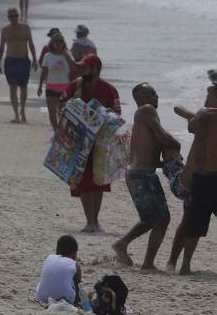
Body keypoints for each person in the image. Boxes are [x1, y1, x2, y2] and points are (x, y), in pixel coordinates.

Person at [112, 83, 180, 270]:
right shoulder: (146, 110)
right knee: (162, 218)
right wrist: (178, 145)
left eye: (156, 92)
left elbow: (145, 155)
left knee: (150, 219)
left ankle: (122, 244)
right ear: (140, 98)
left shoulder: (141, 119)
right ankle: (148, 263)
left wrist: (166, 163)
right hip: (142, 175)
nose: (156, 96)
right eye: (151, 93)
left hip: (136, 173)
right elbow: (162, 136)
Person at [60, 55, 121, 233]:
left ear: (94, 69)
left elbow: (117, 114)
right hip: (78, 141)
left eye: (84, 68)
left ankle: (95, 220)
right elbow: (61, 105)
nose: (80, 71)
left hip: (101, 144)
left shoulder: (109, 90)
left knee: (98, 181)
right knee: (84, 181)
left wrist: (107, 113)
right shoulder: (75, 86)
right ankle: (89, 221)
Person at [170, 86, 217, 275]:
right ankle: (182, 264)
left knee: (193, 223)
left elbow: (187, 121)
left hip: (200, 177)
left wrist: (195, 115)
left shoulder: (203, 115)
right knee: (193, 223)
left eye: (210, 94)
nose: (206, 97)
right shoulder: (204, 114)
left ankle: (185, 265)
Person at [0, 8, 37, 123]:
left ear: (18, 16)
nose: (14, 18)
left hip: (23, 60)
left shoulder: (25, 28)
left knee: (23, 88)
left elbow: (31, 44)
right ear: (8, 17)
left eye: (16, 15)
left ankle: (22, 110)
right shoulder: (5, 30)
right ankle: (16, 115)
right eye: (11, 16)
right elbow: (1, 47)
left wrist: (35, 59)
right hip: (10, 61)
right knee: (12, 88)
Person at [38, 32, 73, 132]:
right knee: (52, 111)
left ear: (64, 43)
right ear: (52, 43)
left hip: (65, 88)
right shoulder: (47, 56)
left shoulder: (68, 54)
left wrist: (66, 54)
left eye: (61, 41)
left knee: (63, 112)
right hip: (51, 87)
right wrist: (40, 86)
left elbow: (74, 67)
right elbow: (44, 72)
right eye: (56, 41)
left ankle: (62, 132)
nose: (58, 43)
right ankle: (56, 132)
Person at [35, 235, 81, 306]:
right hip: (64, 300)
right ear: (74, 253)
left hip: (42, 298)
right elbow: (79, 289)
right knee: (73, 284)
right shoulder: (75, 265)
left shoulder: (48, 257)